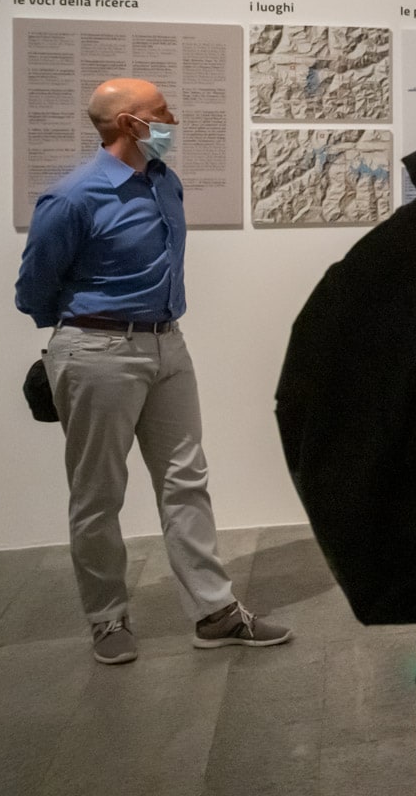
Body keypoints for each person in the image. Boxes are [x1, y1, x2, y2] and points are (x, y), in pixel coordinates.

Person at [15, 78, 291, 665]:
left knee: (185, 478)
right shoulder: (73, 198)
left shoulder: (165, 181)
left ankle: (215, 612)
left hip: (169, 345)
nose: (172, 118)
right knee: (98, 492)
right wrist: (79, 334)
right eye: (160, 112)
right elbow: (33, 290)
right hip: (96, 351)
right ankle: (108, 619)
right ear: (127, 124)